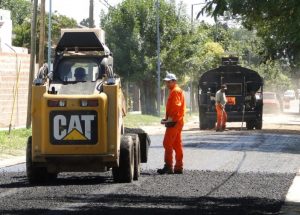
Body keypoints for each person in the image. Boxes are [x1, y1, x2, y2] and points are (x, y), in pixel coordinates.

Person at [157, 73, 186, 174]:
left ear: (174, 81)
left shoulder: (175, 91)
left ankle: (168, 166)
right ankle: (178, 167)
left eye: (169, 82)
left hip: (174, 122)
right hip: (177, 121)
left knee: (167, 143)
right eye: (166, 82)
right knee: (177, 144)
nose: (167, 84)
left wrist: (170, 119)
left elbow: (176, 106)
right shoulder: (175, 91)